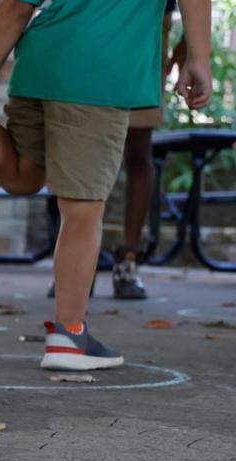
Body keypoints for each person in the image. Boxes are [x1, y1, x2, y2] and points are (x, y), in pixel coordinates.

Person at [0, 0, 211, 371]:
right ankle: (69, 335)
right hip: (99, 78)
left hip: (37, 67)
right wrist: (197, 57)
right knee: (82, 209)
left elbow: (14, 7)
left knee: (23, 175)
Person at [114, 0, 186, 300]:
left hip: (145, 52)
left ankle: (129, 259)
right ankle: (76, 257)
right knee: (79, 153)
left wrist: (185, 59)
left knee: (137, 154)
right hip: (89, 44)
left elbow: (197, 9)